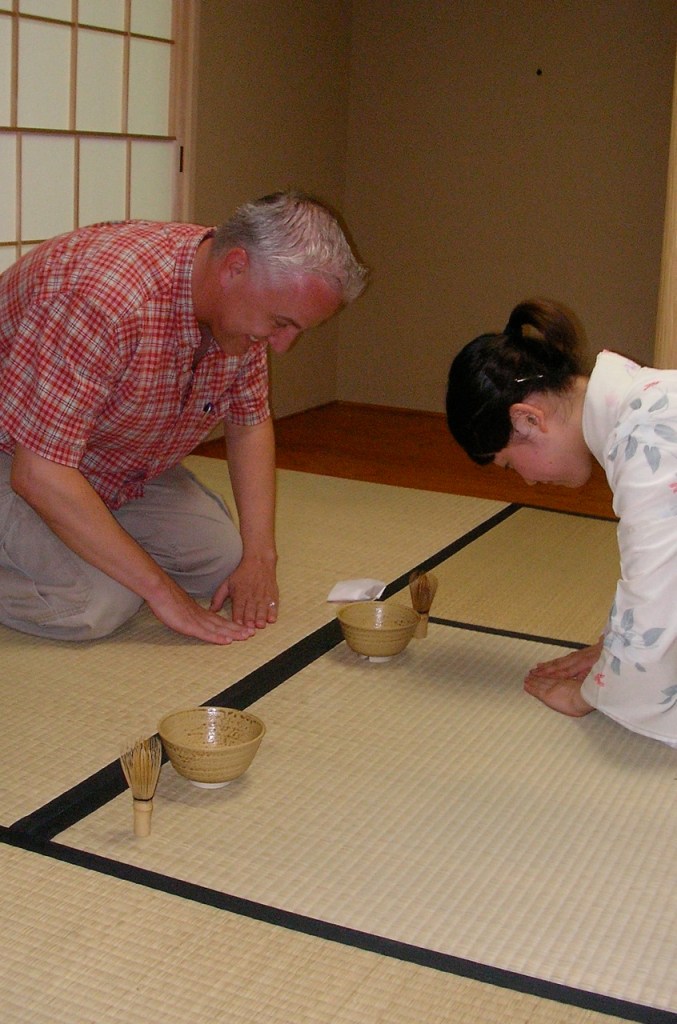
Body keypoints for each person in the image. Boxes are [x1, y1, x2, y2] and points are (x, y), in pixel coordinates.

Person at [0, 191, 368, 644]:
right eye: (281, 322)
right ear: (235, 267)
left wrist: (261, 557)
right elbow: (39, 472)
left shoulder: (239, 309)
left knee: (221, 562)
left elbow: (249, 422)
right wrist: (162, 592)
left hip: (110, 459)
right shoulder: (107, 298)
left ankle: (91, 539)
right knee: (96, 603)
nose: (282, 345)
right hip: (21, 455)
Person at [446, 298, 677, 746]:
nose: (529, 482)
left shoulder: (646, 435)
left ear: (527, 420)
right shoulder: (644, 408)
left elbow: (654, 589)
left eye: (512, 465)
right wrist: (612, 652)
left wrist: (593, 695)